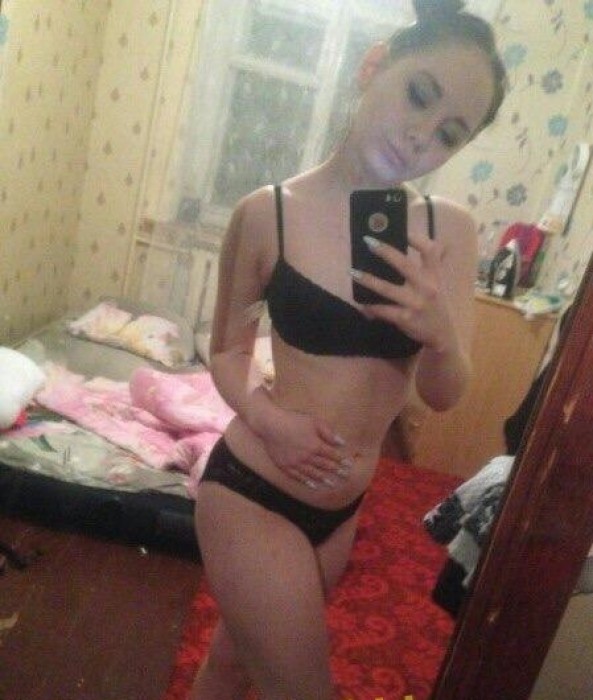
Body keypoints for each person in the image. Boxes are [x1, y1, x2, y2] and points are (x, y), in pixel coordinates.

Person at [190, 1, 507, 698]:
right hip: (253, 490)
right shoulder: (265, 213)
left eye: (449, 134)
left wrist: (438, 328)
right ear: (374, 65)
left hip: (342, 511)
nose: (421, 136)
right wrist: (271, 421)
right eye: (419, 94)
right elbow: (227, 352)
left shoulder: (447, 232)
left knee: (232, 666)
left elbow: (444, 394)